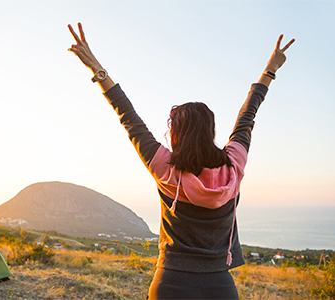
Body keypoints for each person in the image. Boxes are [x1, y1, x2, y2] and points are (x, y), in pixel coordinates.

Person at [68, 23, 294, 300]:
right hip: (220, 286)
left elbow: (128, 117)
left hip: (170, 283)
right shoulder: (234, 166)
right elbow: (248, 116)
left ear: (175, 133)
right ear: (210, 131)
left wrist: (97, 69)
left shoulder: (165, 167)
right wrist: (270, 70)